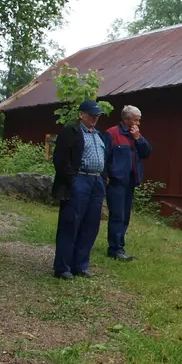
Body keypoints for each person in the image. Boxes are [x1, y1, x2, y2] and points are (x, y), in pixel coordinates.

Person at [51, 99, 111, 280]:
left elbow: (104, 157)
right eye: (91, 115)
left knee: (90, 225)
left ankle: (80, 265)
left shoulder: (99, 135)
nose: (94, 118)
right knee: (71, 223)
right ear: (81, 114)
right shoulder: (72, 131)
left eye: (97, 115)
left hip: (96, 181)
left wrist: (104, 176)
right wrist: (73, 180)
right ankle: (63, 267)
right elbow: (60, 160)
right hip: (80, 179)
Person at [105, 104, 152, 262]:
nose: (138, 124)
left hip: (131, 181)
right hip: (116, 181)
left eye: (139, 121)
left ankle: (120, 246)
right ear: (126, 119)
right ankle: (114, 249)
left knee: (125, 216)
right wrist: (106, 176)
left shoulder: (135, 135)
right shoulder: (112, 133)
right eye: (136, 120)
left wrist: (138, 138)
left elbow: (147, 153)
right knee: (117, 215)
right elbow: (105, 157)